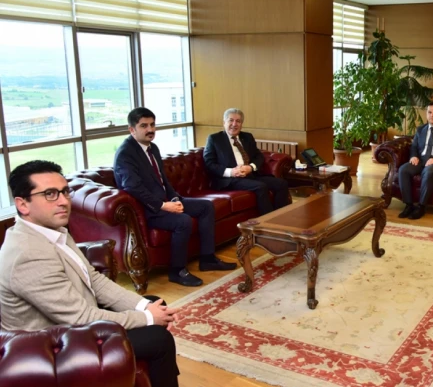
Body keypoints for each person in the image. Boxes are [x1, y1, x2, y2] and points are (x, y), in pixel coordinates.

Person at [0, 160, 182, 387]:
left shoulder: (53, 230)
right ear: (22, 204)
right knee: (158, 337)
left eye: (65, 191)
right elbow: (79, 318)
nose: (64, 201)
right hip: (46, 346)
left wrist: (146, 308)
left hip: (71, 319)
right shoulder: (27, 254)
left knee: (154, 302)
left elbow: (94, 280)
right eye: (50, 194)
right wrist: (148, 318)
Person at [114, 107, 236, 287]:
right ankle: (177, 271)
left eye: (152, 125)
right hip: (147, 210)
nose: (150, 130)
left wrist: (174, 199)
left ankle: (207, 259)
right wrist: (163, 205)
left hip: (165, 202)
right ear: (132, 129)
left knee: (206, 207)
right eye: (144, 126)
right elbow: (133, 187)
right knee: (183, 221)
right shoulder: (126, 153)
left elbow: (162, 180)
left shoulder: (152, 148)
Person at [203, 108, 290, 215]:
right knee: (260, 186)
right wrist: (231, 172)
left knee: (281, 184)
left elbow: (259, 156)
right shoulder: (214, 139)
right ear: (224, 122)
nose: (234, 124)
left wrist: (251, 167)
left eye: (238, 121)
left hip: (250, 175)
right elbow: (209, 163)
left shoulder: (247, 137)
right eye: (231, 120)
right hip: (230, 179)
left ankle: (281, 216)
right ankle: (268, 221)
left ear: (241, 124)